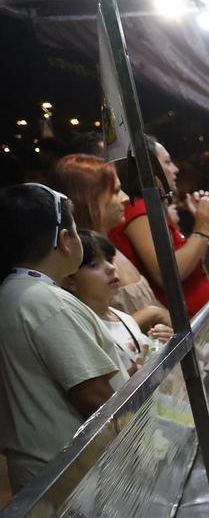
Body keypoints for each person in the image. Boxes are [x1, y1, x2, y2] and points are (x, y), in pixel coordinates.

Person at [0, 185, 128, 493]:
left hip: (47, 477)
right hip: (74, 481)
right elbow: (94, 398)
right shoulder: (46, 301)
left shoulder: (13, 291)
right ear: (65, 241)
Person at [50, 153, 171, 333]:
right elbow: (93, 331)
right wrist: (153, 314)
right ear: (89, 199)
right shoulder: (76, 260)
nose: (124, 198)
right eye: (115, 192)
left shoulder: (108, 245)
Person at [110, 136, 209, 317]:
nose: (175, 169)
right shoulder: (139, 209)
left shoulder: (151, 208)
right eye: (168, 162)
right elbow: (166, 274)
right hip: (184, 321)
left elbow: (190, 265)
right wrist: (203, 230)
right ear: (150, 169)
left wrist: (198, 229)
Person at [63, 230, 173, 370]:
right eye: (93, 265)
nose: (111, 268)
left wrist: (163, 342)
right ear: (69, 281)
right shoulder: (84, 330)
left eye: (109, 260)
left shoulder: (123, 317)